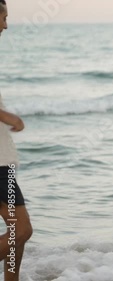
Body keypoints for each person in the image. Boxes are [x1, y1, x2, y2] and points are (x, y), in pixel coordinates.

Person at [0, 1, 34, 280]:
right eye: (4, 17)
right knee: (22, 230)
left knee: (17, 231)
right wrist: (12, 119)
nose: (6, 25)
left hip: (4, 163)